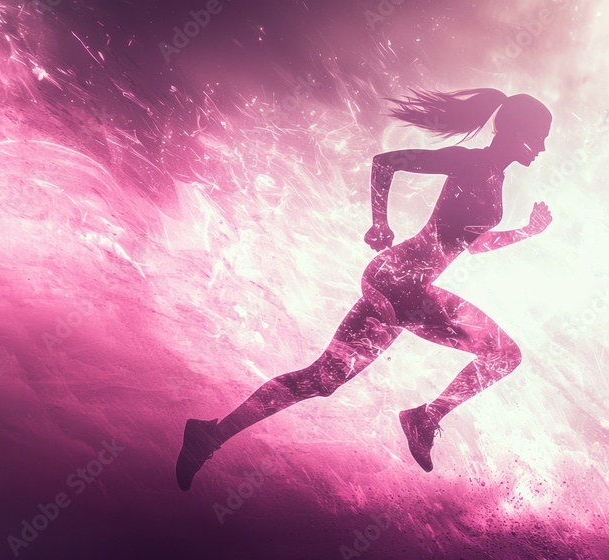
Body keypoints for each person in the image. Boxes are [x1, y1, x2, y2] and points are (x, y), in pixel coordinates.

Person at [177, 88, 554, 490]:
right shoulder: (471, 163)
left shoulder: (493, 177)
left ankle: (210, 436)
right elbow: (387, 163)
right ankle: (425, 417)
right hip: (401, 283)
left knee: (323, 378)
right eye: (540, 137)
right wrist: (380, 223)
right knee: (504, 354)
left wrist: (527, 232)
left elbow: (474, 244)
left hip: (404, 285)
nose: (544, 148)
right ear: (516, 132)